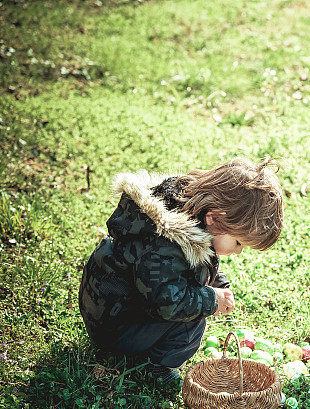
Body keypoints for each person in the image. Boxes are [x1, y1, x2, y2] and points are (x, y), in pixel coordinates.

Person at [79, 158, 283, 385]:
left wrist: (218, 283)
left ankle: (145, 352)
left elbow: (200, 258)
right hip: (114, 327)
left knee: (195, 299)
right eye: (238, 243)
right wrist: (210, 300)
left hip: (113, 308)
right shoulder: (162, 243)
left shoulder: (190, 216)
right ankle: (154, 367)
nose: (239, 252)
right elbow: (167, 303)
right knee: (191, 321)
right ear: (214, 218)